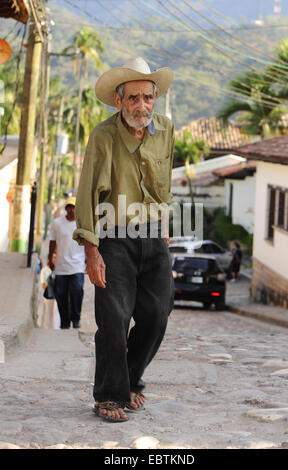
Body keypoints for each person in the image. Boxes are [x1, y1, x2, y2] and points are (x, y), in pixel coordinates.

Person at [73, 57, 175, 423]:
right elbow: (87, 193)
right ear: (119, 101)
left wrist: (162, 222)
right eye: (133, 98)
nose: (141, 106)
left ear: (155, 98)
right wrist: (91, 250)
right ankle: (109, 396)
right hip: (113, 236)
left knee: (158, 314)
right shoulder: (103, 135)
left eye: (148, 97)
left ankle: (132, 379)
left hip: (152, 234)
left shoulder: (165, 130)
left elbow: (164, 184)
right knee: (114, 319)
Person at [49, 197, 86, 329]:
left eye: (73, 207)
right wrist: (50, 259)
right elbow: (52, 242)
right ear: (66, 209)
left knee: (77, 291)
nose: (71, 210)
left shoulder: (82, 224)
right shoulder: (57, 223)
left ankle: (76, 318)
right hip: (61, 266)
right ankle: (64, 321)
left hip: (78, 265)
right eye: (69, 207)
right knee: (61, 295)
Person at [40, 253, 60, 329]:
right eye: (53, 258)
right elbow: (43, 284)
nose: (55, 259)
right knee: (48, 313)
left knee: (57, 313)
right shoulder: (44, 270)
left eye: (56, 258)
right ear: (49, 259)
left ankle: (56, 329)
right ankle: (48, 329)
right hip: (48, 296)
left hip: (58, 296)